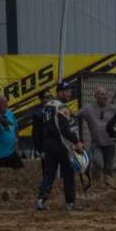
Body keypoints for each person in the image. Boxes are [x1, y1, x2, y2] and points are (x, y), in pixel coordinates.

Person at [35, 81, 83, 211]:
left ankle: (41, 200)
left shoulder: (47, 106)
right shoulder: (62, 107)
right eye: (67, 91)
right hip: (62, 145)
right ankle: (70, 203)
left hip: (48, 144)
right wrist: (77, 141)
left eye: (70, 91)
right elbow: (65, 130)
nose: (69, 94)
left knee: (49, 174)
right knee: (68, 173)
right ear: (59, 92)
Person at [78, 87, 116, 188]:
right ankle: (95, 184)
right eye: (101, 94)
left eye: (105, 94)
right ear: (96, 96)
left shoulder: (113, 109)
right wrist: (66, 112)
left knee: (108, 167)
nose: (104, 96)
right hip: (96, 143)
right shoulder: (88, 109)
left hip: (110, 143)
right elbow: (76, 114)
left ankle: (109, 187)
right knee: (98, 162)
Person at [30, 90, 51, 159]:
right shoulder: (37, 114)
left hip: (56, 146)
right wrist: (41, 150)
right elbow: (36, 134)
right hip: (45, 147)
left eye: (50, 96)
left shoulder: (54, 109)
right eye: (47, 97)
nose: (49, 99)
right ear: (41, 99)